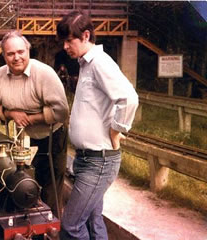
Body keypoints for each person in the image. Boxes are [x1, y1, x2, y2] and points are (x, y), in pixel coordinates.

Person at [56, 11, 139, 240]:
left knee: (71, 226)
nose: (65, 47)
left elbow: (128, 98)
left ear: (85, 35)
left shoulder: (100, 63)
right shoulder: (85, 64)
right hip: (86, 159)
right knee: (93, 222)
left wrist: (117, 128)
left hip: (98, 161)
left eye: (69, 41)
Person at [0, 30, 69, 218]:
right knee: (23, 187)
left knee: (49, 192)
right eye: (10, 54)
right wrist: (11, 113)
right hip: (21, 140)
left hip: (51, 138)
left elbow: (62, 111)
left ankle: (51, 231)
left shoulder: (44, 73)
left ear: (28, 50)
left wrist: (31, 119)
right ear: (4, 55)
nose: (16, 57)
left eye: (20, 52)